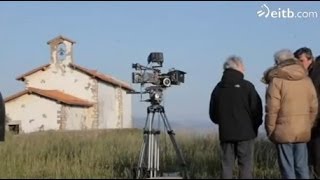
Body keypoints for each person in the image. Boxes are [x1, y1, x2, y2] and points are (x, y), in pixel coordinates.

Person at [262, 49, 318, 179]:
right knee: (302, 167)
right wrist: (307, 125)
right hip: (302, 130)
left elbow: (272, 109)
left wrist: (271, 131)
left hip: (283, 131)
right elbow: (314, 107)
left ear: (277, 62)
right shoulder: (306, 79)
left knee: (287, 169)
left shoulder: (276, 81)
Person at [209, 55, 263, 179]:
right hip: (246, 133)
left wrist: (222, 123)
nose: (244, 69)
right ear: (238, 67)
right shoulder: (247, 86)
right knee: (245, 166)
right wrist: (254, 127)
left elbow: (213, 114)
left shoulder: (218, 88)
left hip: (226, 133)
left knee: (226, 165)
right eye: (243, 66)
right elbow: (257, 109)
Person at [294, 47, 320, 178]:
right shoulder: (306, 73)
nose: (299, 64)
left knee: (316, 158)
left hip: (315, 123)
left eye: (301, 60)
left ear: (310, 59)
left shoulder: (316, 74)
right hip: (309, 124)